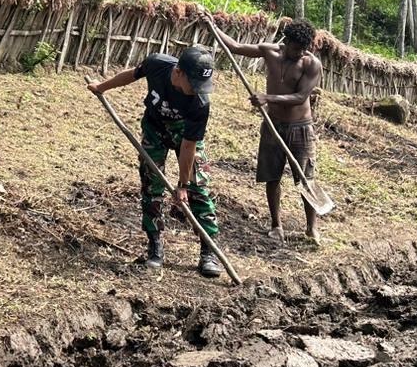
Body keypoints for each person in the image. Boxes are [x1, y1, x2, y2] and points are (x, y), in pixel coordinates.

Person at [87, 47, 224, 278]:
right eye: (194, 83)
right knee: (152, 187)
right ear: (178, 72)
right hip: (154, 131)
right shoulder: (157, 64)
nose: (198, 90)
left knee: (197, 189)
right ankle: (155, 246)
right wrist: (101, 87)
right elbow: (131, 75)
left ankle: (207, 252)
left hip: (185, 136)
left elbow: (189, 146)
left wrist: (182, 184)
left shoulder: (200, 102)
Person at [213, 20, 324, 244]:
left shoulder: (311, 64)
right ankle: (276, 225)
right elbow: (234, 46)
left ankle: (312, 228)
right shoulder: (269, 51)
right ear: (286, 41)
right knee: (272, 176)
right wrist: (212, 27)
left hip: (300, 128)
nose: (300, 52)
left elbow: (300, 97)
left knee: (305, 178)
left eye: (305, 48)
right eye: (296, 48)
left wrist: (267, 98)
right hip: (273, 125)